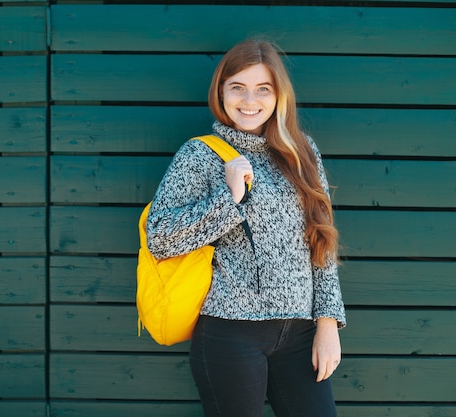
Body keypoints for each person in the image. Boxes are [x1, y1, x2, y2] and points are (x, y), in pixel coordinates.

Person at [145, 39, 346, 417]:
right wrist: (229, 198)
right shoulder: (200, 155)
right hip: (230, 332)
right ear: (221, 92)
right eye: (237, 87)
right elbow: (160, 237)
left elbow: (321, 240)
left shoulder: (302, 152)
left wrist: (328, 324)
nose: (249, 100)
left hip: (300, 334)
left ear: (278, 96)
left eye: (262, 89)